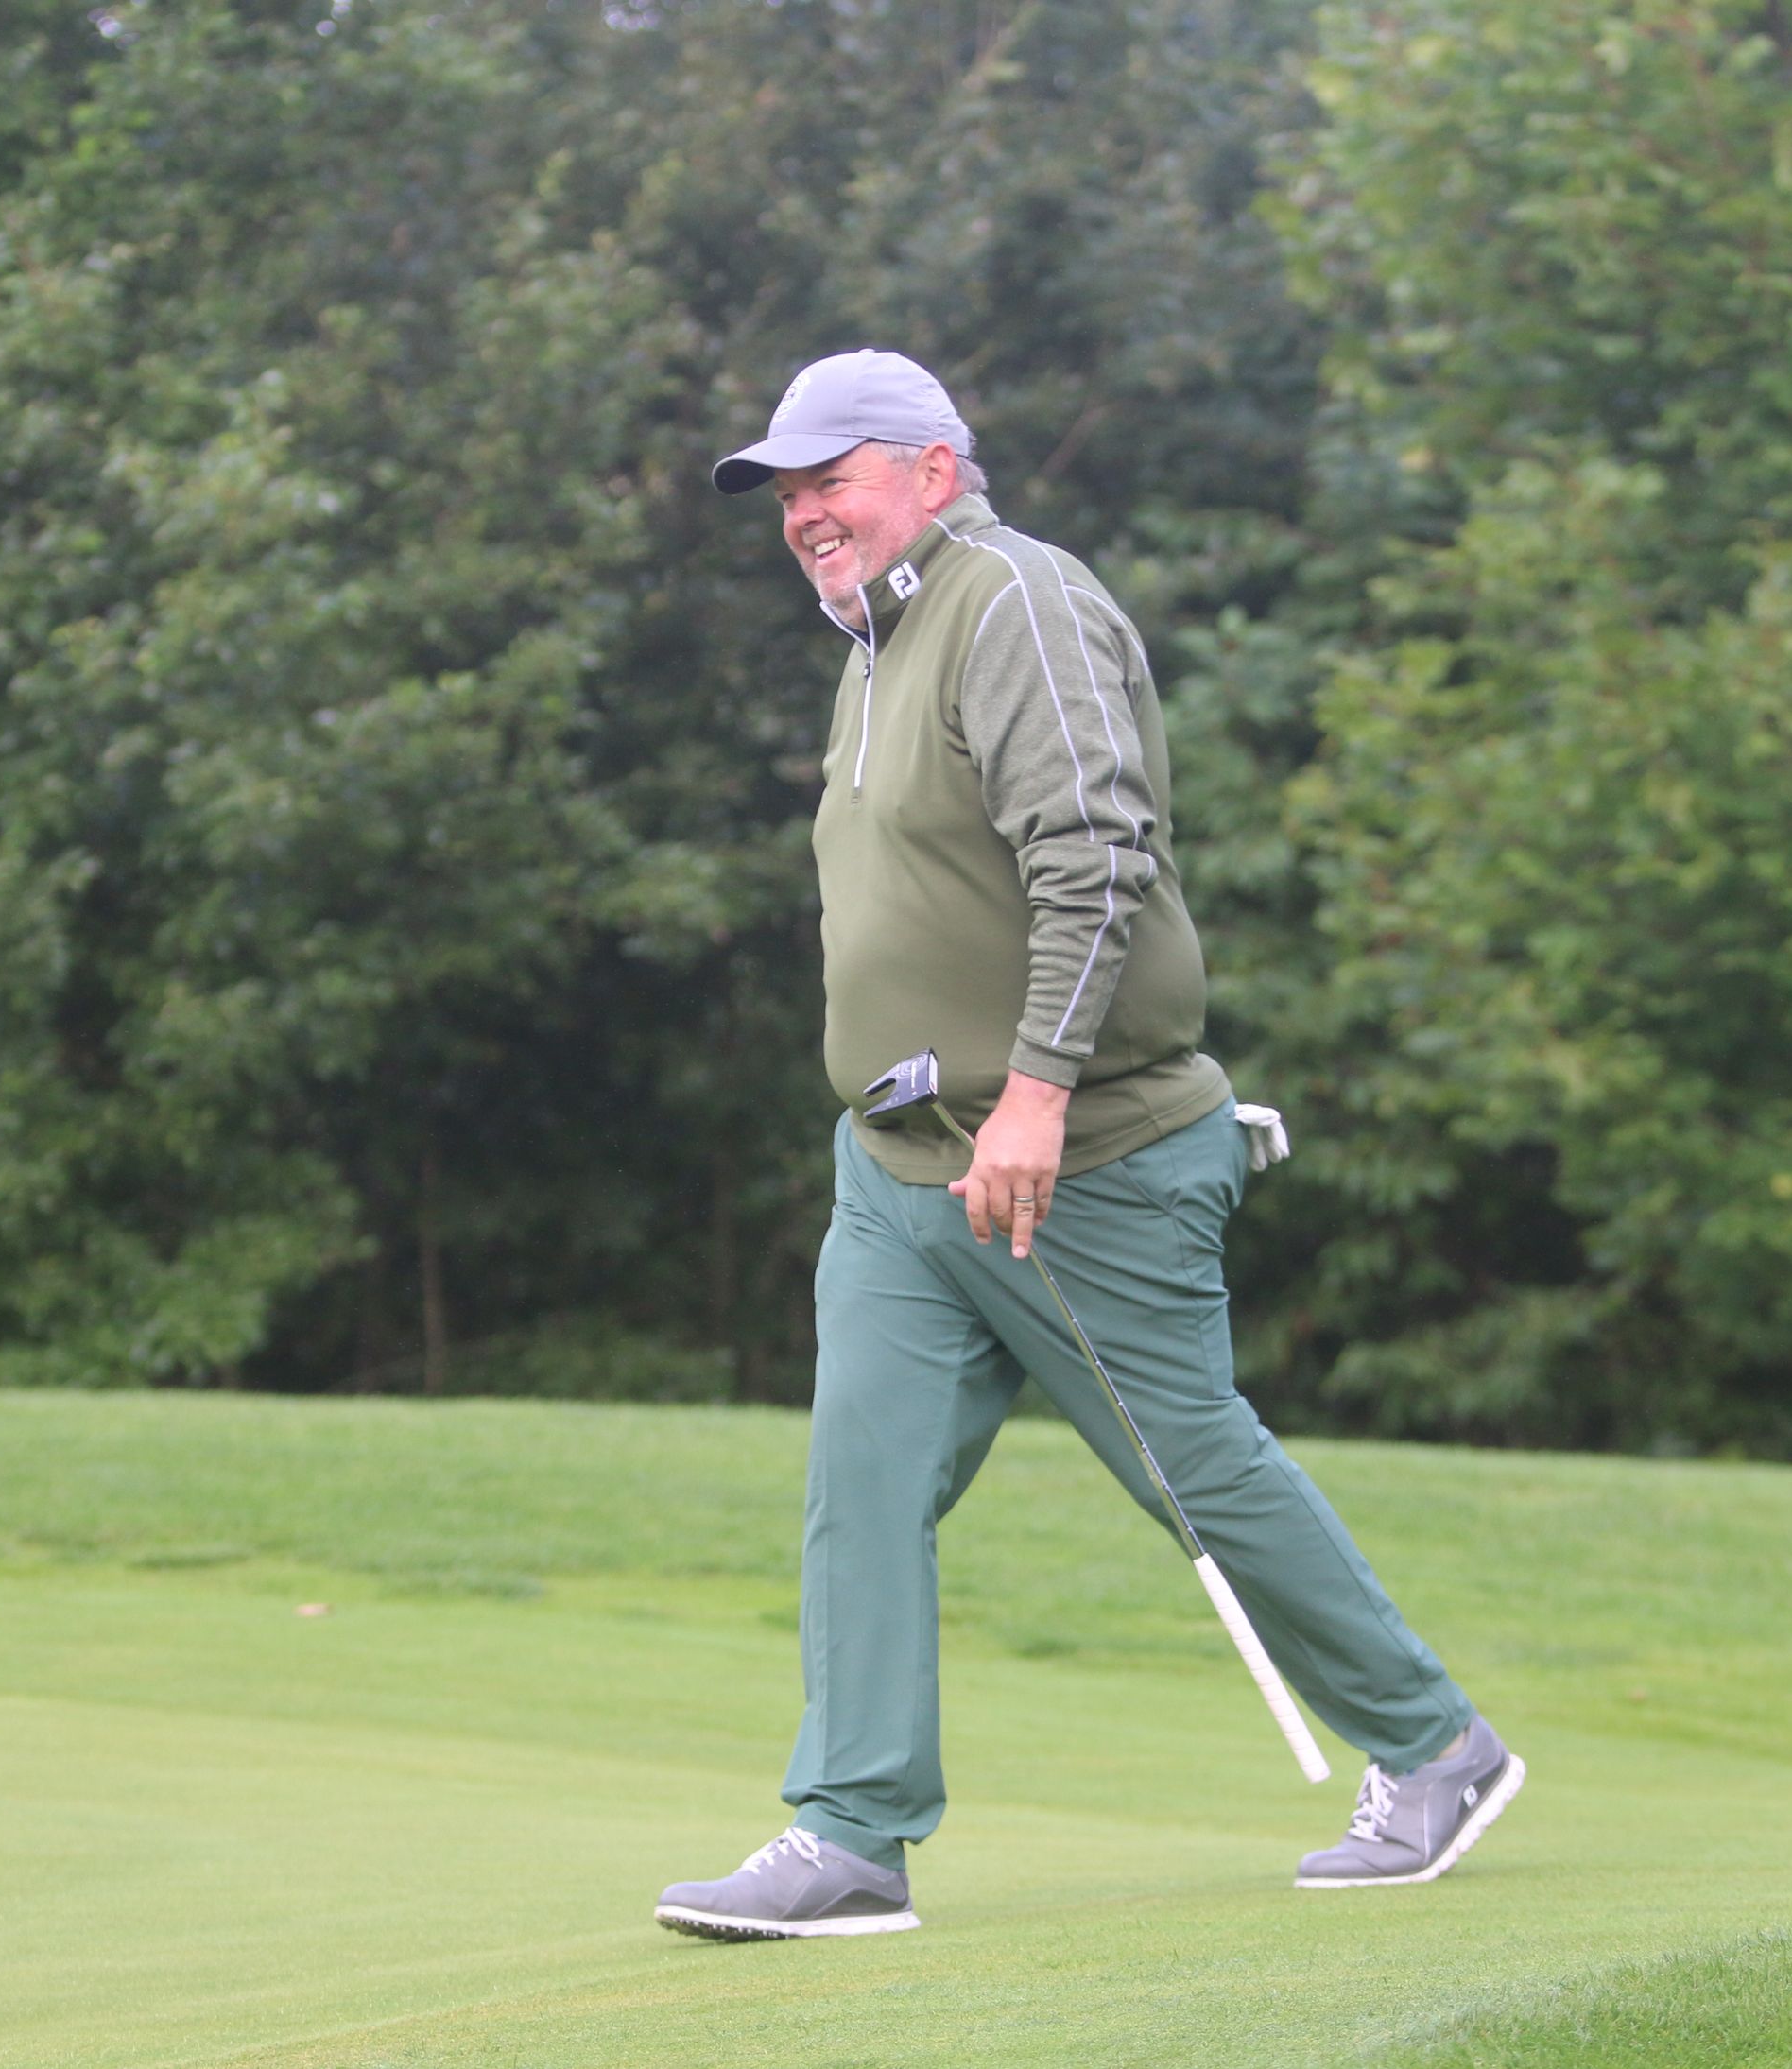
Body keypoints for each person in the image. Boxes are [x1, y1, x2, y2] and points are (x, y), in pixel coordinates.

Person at [651, 351, 1520, 1941]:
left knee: (1194, 1468)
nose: (803, 514)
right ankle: (851, 1830)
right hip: (899, 1166)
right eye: (786, 493)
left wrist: (1038, 1092)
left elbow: (1099, 856)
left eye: (830, 479)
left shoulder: (1014, 600)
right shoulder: (876, 641)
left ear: (931, 467)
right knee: (862, 1481)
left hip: (1081, 1156)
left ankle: (1435, 1746)